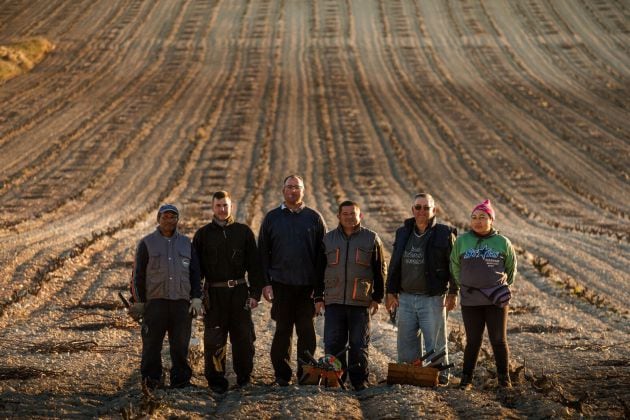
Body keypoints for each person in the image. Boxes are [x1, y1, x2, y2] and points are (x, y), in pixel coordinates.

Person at [192, 191, 265, 393]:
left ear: (231, 207)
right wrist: (197, 297)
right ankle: (216, 382)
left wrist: (254, 294)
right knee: (214, 341)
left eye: (225, 205)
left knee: (243, 339)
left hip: (240, 294)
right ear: (212, 207)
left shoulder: (243, 232)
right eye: (218, 206)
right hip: (214, 296)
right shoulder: (203, 235)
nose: (222, 209)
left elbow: (255, 267)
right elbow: (195, 270)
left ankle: (244, 378)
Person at [258, 175, 327, 386]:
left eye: (297, 187)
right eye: (289, 187)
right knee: (282, 331)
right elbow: (262, 253)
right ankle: (282, 375)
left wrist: (319, 291)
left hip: (307, 287)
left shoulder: (314, 218)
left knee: (306, 331)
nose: (293, 191)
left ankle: (306, 374)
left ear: (303, 191)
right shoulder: (271, 218)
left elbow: (322, 257)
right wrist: (266, 283)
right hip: (281, 285)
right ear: (282, 190)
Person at [385, 193, 458, 385]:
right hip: (406, 297)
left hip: (433, 298)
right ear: (412, 210)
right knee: (406, 342)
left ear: (434, 210)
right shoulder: (403, 232)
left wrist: (453, 292)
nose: (422, 211)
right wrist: (390, 291)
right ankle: (411, 374)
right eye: (418, 207)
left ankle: (440, 375)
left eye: (426, 207)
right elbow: (395, 263)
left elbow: (454, 265)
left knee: (435, 342)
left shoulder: (444, 233)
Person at [314, 200, 386, 391]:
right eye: (345, 214)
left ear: (360, 215)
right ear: (338, 216)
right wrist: (318, 298)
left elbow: (380, 270)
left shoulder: (371, 238)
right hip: (334, 300)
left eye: (353, 213)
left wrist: (377, 297)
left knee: (359, 344)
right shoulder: (328, 239)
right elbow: (319, 270)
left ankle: (359, 382)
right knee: (333, 343)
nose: (349, 217)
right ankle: (336, 380)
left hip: (360, 302)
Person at [130, 204, 203, 389]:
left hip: (181, 304)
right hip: (156, 304)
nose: (169, 220)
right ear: (158, 219)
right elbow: (137, 275)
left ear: (177, 220)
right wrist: (139, 302)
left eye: (173, 217)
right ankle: (151, 380)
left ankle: (181, 380)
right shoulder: (147, 243)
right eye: (165, 217)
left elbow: (195, 273)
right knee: (152, 345)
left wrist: (196, 297)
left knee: (180, 345)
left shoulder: (187, 243)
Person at [450, 199, 517, 390]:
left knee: (498, 340)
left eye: (482, 217)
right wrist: (463, 282)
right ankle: (466, 380)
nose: (478, 221)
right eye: (474, 217)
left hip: (496, 300)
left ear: (491, 220)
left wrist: (500, 287)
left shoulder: (502, 242)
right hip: (471, 301)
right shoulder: (462, 241)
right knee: (473, 341)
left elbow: (511, 269)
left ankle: (504, 380)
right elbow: (454, 265)